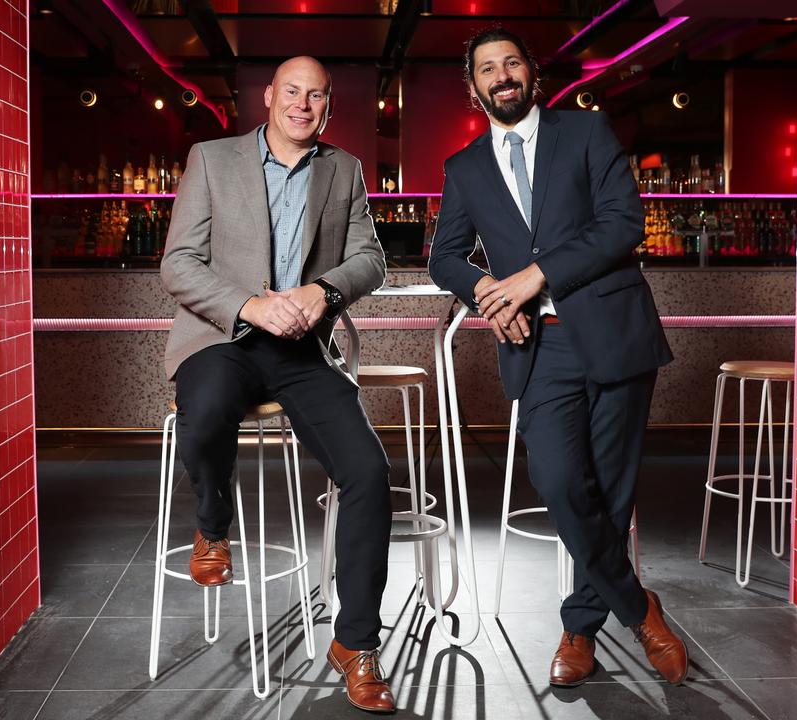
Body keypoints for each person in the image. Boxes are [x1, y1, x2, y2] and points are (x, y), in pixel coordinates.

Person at [428, 27, 689, 688]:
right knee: (561, 483)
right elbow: (444, 257)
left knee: (611, 490)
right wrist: (490, 290)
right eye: (487, 68)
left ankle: (579, 625)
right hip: (538, 347)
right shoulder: (464, 168)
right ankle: (638, 607)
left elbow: (623, 223)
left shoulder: (587, 134)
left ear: (532, 74)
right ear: (474, 86)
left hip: (613, 331)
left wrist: (533, 276)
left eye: (511, 62)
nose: (502, 75)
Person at [161, 56, 396, 713]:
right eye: (292, 92)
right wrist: (248, 304)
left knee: (369, 473)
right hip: (225, 339)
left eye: (315, 96)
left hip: (301, 351)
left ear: (327, 107)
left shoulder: (343, 170)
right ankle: (213, 525)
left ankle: (356, 643)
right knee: (204, 410)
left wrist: (324, 291)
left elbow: (371, 258)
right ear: (268, 97)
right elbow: (178, 263)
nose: (302, 105)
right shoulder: (211, 159)